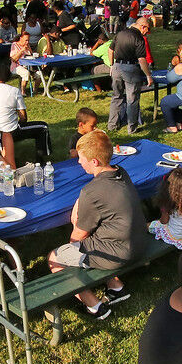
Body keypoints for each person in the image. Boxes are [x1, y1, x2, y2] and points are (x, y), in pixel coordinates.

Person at [46, 130, 144, 319]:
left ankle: (95, 306)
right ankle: (116, 288)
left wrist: (70, 248)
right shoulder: (120, 171)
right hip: (138, 241)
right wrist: (81, 202)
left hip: (122, 252)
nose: (79, 162)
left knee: (56, 257)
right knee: (94, 239)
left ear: (94, 162)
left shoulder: (91, 192)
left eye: (82, 158)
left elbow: (78, 236)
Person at [0, 62, 52, 160]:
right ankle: (42, 158)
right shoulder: (14, 91)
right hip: (11, 131)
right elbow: (23, 117)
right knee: (43, 127)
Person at [108, 17, 153, 134]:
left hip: (117, 66)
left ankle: (112, 125)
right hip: (130, 69)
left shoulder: (120, 33)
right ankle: (132, 128)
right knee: (132, 99)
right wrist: (148, 75)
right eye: (147, 30)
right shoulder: (139, 38)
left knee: (116, 97)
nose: (147, 33)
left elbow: (110, 50)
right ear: (143, 26)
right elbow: (142, 59)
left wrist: (111, 64)